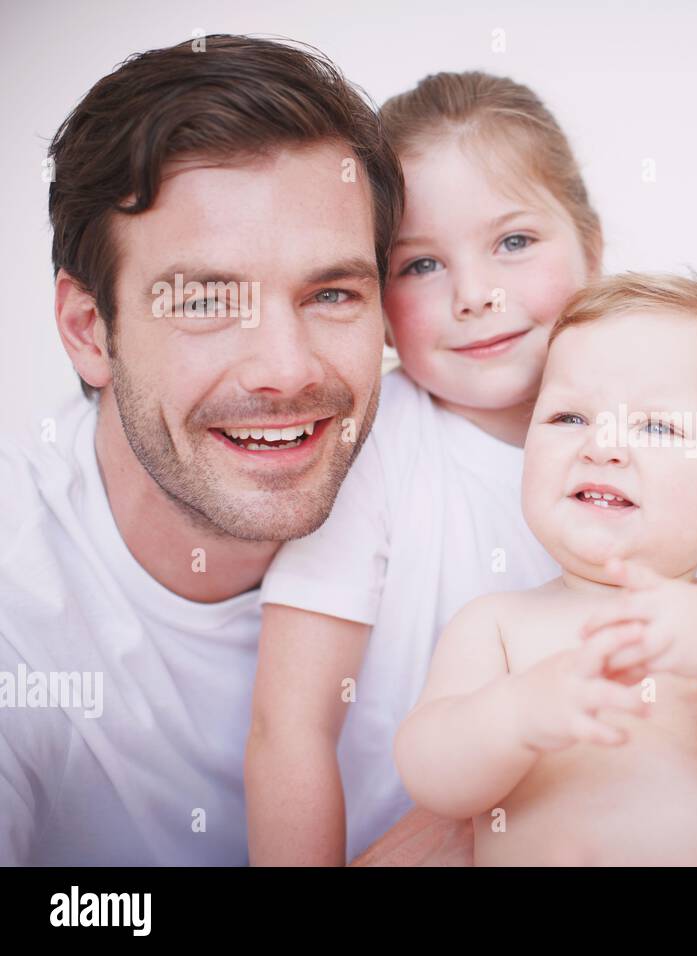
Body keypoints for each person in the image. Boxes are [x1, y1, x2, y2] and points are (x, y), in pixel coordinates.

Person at [246, 77, 697, 865]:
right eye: (420, 266)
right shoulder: (372, 446)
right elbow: (290, 726)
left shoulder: (674, 437)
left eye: (514, 242)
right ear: (374, 296)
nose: (475, 295)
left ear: (594, 245)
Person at [0, 35, 403, 864]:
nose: (287, 371)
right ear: (89, 333)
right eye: (209, 301)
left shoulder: (533, 487)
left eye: (332, 294)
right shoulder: (17, 591)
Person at [394, 273, 697, 865]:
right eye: (569, 418)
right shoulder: (496, 626)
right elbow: (433, 778)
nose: (602, 447)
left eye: (657, 427)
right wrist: (516, 715)